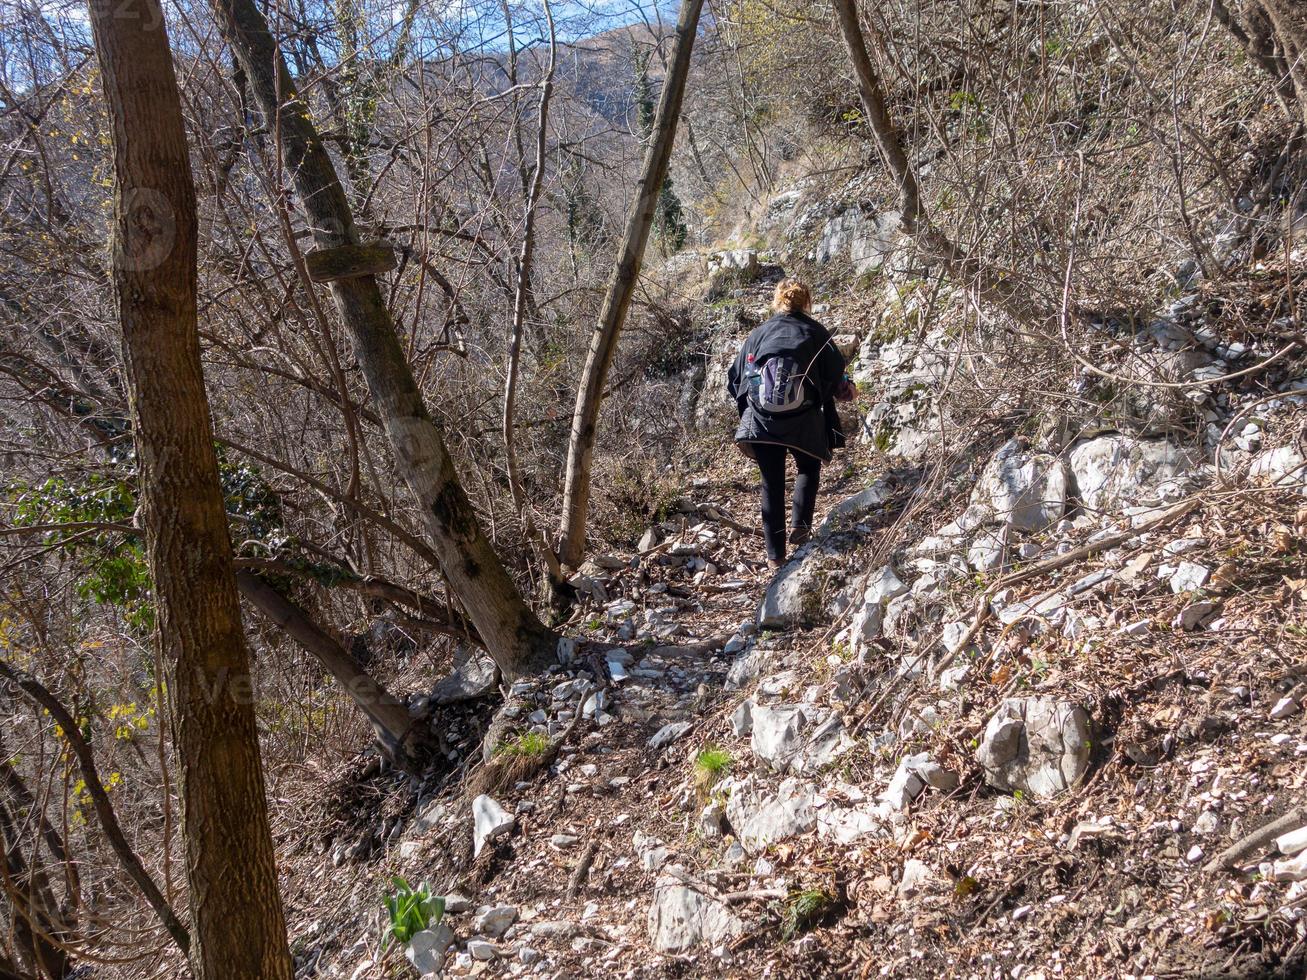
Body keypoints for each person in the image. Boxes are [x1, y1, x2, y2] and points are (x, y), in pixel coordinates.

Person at [727, 280, 853, 569]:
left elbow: (735, 379)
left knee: (771, 483)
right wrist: (849, 390)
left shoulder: (759, 334)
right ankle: (801, 525)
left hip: (763, 422)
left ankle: (775, 558)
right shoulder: (815, 332)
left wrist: (753, 408)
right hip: (804, 419)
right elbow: (837, 378)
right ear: (806, 302)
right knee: (808, 467)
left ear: (777, 301)